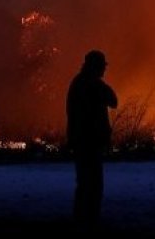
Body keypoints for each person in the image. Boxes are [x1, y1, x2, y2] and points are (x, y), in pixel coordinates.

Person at [66, 49, 118, 229]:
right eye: (102, 66)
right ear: (95, 67)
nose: (104, 70)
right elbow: (113, 101)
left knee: (85, 184)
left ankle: (82, 220)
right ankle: (88, 222)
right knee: (93, 185)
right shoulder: (92, 85)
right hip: (89, 143)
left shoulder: (78, 83)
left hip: (82, 142)